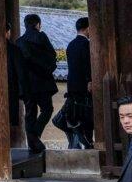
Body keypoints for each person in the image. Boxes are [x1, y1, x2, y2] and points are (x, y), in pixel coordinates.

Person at [17, 13, 58, 154]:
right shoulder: (41, 37)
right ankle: (35, 134)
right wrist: (47, 70)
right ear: (37, 24)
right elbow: (52, 55)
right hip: (42, 82)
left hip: (27, 84)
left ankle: (32, 142)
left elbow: (20, 65)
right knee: (47, 109)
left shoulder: (19, 41)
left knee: (30, 113)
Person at [64, 17, 94, 149]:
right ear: (87, 28)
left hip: (72, 84)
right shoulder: (87, 44)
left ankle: (75, 142)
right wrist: (89, 80)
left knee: (76, 115)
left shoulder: (70, 44)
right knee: (87, 114)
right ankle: (87, 141)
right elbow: (87, 65)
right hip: (84, 85)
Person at [5, 21, 29, 140]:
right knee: (7, 118)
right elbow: (21, 73)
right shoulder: (13, 50)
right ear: (8, 32)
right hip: (9, 90)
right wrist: (24, 92)